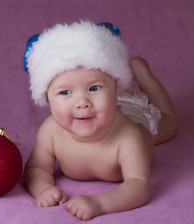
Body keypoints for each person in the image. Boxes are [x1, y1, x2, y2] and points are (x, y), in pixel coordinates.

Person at [23, 21, 177, 221]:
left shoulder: (129, 137)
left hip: (137, 117)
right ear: (47, 98)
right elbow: (36, 168)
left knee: (170, 123)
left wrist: (100, 203)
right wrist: (43, 189)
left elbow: (138, 185)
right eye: (65, 92)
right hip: (107, 107)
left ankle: (141, 71)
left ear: (114, 89)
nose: (82, 103)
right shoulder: (50, 131)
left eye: (94, 88)